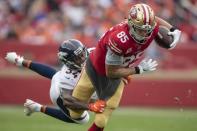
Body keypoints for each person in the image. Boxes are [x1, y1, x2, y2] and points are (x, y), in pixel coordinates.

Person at [68, 3, 182, 131]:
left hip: (116, 77)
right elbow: (111, 72)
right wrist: (138, 69)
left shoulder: (150, 27)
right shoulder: (119, 39)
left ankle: (99, 97)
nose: (145, 33)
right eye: (140, 29)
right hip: (95, 69)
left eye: (147, 29)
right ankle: (96, 95)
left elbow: (154, 21)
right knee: (74, 113)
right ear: (131, 24)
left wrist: (173, 29)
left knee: (101, 121)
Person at [5, 39, 105, 124]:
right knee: (83, 119)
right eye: (77, 58)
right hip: (60, 94)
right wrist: (90, 107)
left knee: (56, 75)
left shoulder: (93, 52)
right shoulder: (67, 76)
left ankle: (19, 60)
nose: (83, 58)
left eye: (82, 53)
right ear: (68, 61)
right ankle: (37, 107)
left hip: (67, 80)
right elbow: (67, 101)